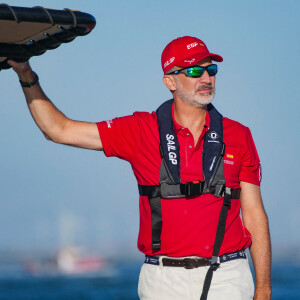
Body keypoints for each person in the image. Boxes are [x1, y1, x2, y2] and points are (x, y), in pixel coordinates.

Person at [8, 36, 271, 300]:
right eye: (193, 70)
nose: (206, 78)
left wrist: (263, 288)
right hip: (163, 279)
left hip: (227, 275)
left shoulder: (238, 135)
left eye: (210, 69)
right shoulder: (141, 130)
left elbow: (254, 214)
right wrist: (26, 74)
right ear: (170, 81)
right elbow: (59, 130)